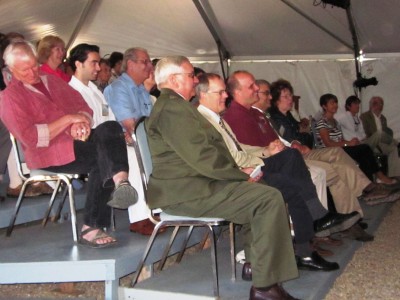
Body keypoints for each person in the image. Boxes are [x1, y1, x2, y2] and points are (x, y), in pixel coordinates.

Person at [146, 55, 299, 300]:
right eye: (190, 75)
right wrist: (239, 175)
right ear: (174, 80)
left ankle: (256, 266)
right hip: (187, 192)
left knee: (264, 191)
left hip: (197, 184)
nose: (195, 80)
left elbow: (205, 155)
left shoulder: (177, 106)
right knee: (267, 198)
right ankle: (265, 287)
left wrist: (241, 175)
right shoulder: (173, 108)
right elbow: (202, 156)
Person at [196, 73, 360, 269]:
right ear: (204, 94)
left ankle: (307, 242)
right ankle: (310, 237)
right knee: (295, 180)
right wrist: (257, 159)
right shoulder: (206, 120)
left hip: (248, 164)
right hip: (238, 174)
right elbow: (226, 158)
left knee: (292, 157)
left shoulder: (218, 117)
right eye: (221, 92)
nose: (225, 95)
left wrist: (266, 150)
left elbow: (239, 147)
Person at [0, 40, 137, 248]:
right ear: (10, 69)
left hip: (79, 142)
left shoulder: (51, 81)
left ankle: (121, 182)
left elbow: (82, 107)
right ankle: (92, 225)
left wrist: (81, 121)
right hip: (48, 153)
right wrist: (68, 120)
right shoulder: (9, 97)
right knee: (101, 157)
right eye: (24, 70)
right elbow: (30, 138)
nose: (32, 73)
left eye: (34, 66)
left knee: (110, 127)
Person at [222, 71, 388, 242]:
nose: (258, 90)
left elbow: (277, 141)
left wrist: (292, 143)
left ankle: (342, 222)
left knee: (335, 163)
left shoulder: (257, 114)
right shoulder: (237, 116)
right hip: (272, 163)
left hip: (288, 155)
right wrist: (277, 148)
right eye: (252, 87)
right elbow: (247, 151)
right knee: (323, 171)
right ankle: (318, 228)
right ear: (238, 91)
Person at [105, 47, 157, 235]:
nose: (150, 66)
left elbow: (150, 121)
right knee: (135, 154)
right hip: (118, 142)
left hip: (143, 137)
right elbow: (129, 125)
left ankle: (158, 210)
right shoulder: (118, 88)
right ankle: (139, 219)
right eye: (145, 61)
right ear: (130, 64)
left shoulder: (142, 90)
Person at [315, 93, 397, 185]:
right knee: (365, 148)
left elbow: (341, 140)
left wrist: (350, 142)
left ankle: (368, 184)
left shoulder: (335, 122)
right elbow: (328, 143)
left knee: (364, 151)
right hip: (330, 151)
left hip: (339, 148)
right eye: (332, 103)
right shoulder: (322, 122)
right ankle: (379, 176)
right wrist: (348, 144)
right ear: (324, 106)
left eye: (336, 103)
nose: (335, 105)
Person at [68, 43, 115, 127]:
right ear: (78, 64)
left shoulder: (97, 92)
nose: (98, 68)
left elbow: (107, 114)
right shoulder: (70, 93)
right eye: (94, 63)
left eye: (98, 63)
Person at [359, 96, 400, 177]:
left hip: (380, 144)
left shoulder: (383, 118)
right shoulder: (364, 116)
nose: (379, 106)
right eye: (377, 103)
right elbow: (365, 133)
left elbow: (386, 136)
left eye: (381, 104)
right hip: (369, 142)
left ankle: (394, 176)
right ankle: (397, 143)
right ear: (371, 105)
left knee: (394, 149)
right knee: (379, 133)